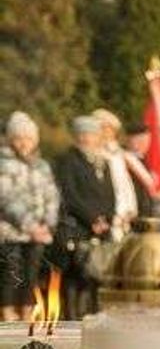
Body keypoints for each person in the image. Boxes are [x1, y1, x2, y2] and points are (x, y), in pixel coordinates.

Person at [54, 116, 115, 319]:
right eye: (84, 134)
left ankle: (94, 315)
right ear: (77, 136)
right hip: (78, 227)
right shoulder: (67, 161)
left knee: (96, 275)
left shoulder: (103, 163)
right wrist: (92, 219)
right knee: (75, 276)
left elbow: (110, 194)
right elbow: (69, 195)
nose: (88, 138)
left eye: (92, 134)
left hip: (101, 229)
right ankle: (72, 319)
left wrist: (107, 219)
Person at [0, 112, 59, 322]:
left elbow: (52, 195)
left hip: (40, 233)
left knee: (32, 274)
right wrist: (30, 226)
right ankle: (7, 313)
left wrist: (48, 224)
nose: (24, 143)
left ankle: (27, 311)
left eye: (28, 138)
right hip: (11, 232)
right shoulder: (4, 164)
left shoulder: (42, 165)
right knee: (11, 274)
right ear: (10, 139)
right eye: (19, 138)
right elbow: (5, 197)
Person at [90, 108, 138, 241]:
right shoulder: (94, 154)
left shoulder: (117, 154)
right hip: (104, 215)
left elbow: (125, 183)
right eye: (103, 128)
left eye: (109, 129)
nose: (106, 133)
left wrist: (131, 208)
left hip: (123, 214)